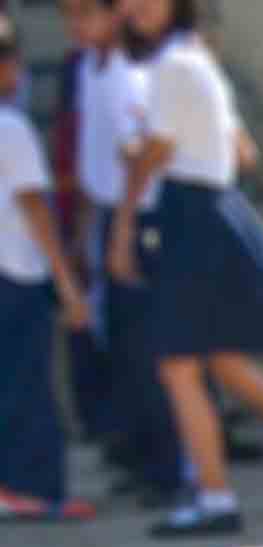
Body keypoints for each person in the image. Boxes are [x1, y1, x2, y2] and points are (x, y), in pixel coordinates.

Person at [108, 0, 263, 537]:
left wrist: (124, 225)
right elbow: (245, 152)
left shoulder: (174, 64)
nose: (134, 7)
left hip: (190, 216)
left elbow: (156, 153)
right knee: (217, 359)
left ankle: (216, 499)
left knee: (178, 366)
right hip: (210, 212)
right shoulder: (192, 59)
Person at [55, 0, 175, 497]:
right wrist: (86, 235)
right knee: (121, 347)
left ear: (115, 15)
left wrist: (122, 233)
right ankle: (137, 454)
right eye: (69, 15)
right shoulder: (88, 67)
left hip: (139, 219)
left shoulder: (132, 68)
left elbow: (138, 162)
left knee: (147, 349)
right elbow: (95, 162)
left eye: (86, 13)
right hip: (107, 215)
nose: (75, 26)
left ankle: (169, 471)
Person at [0, 19, 97, 520]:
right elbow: (35, 210)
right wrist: (67, 284)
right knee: (28, 385)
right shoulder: (12, 129)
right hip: (16, 273)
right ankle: (33, 490)